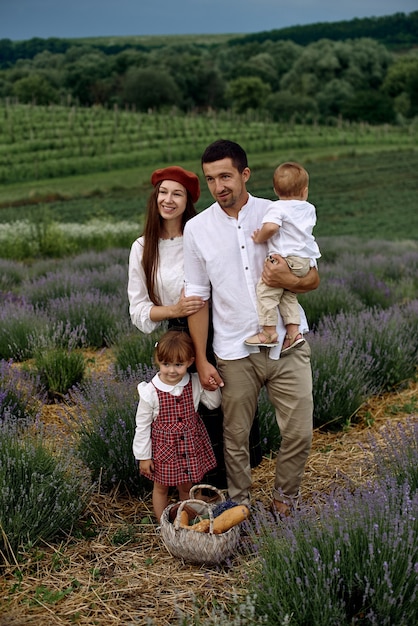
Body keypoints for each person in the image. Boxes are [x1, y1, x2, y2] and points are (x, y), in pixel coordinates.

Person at [183, 139, 320, 518]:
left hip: (287, 346)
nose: (219, 186)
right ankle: (240, 505)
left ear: (245, 174)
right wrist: (202, 358)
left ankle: (284, 500)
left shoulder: (278, 210)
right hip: (232, 349)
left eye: (226, 176)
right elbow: (197, 298)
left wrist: (287, 279)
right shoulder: (197, 229)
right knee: (235, 437)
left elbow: (312, 277)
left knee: (298, 432)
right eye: (211, 179)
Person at [127, 165, 261, 490]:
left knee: (231, 401)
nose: (169, 200)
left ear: (188, 201)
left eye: (177, 194)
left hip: (222, 323)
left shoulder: (201, 234)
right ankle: (201, 488)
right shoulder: (143, 247)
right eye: (163, 192)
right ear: (155, 197)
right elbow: (139, 309)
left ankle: (235, 487)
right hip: (178, 336)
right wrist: (175, 309)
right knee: (191, 409)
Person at [132, 330, 220, 522]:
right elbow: (142, 426)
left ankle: (185, 523)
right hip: (164, 449)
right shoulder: (150, 392)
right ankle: (163, 523)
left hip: (189, 447)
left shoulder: (194, 383)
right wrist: (144, 457)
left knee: (186, 487)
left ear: (190, 361)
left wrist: (211, 386)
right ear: (158, 360)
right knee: (161, 488)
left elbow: (213, 404)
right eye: (166, 364)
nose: (172, 370)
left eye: (178, 365)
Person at [245, 161, 321, 353]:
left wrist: (259, 237)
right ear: (304, 191)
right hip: (304, 261)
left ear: (276, 190)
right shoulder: (309, 208)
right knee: (288, 294)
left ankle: (269, 332)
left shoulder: (277, 207)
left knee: (266, 292)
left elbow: (271, 227)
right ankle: (294, 333)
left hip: (286, 259)